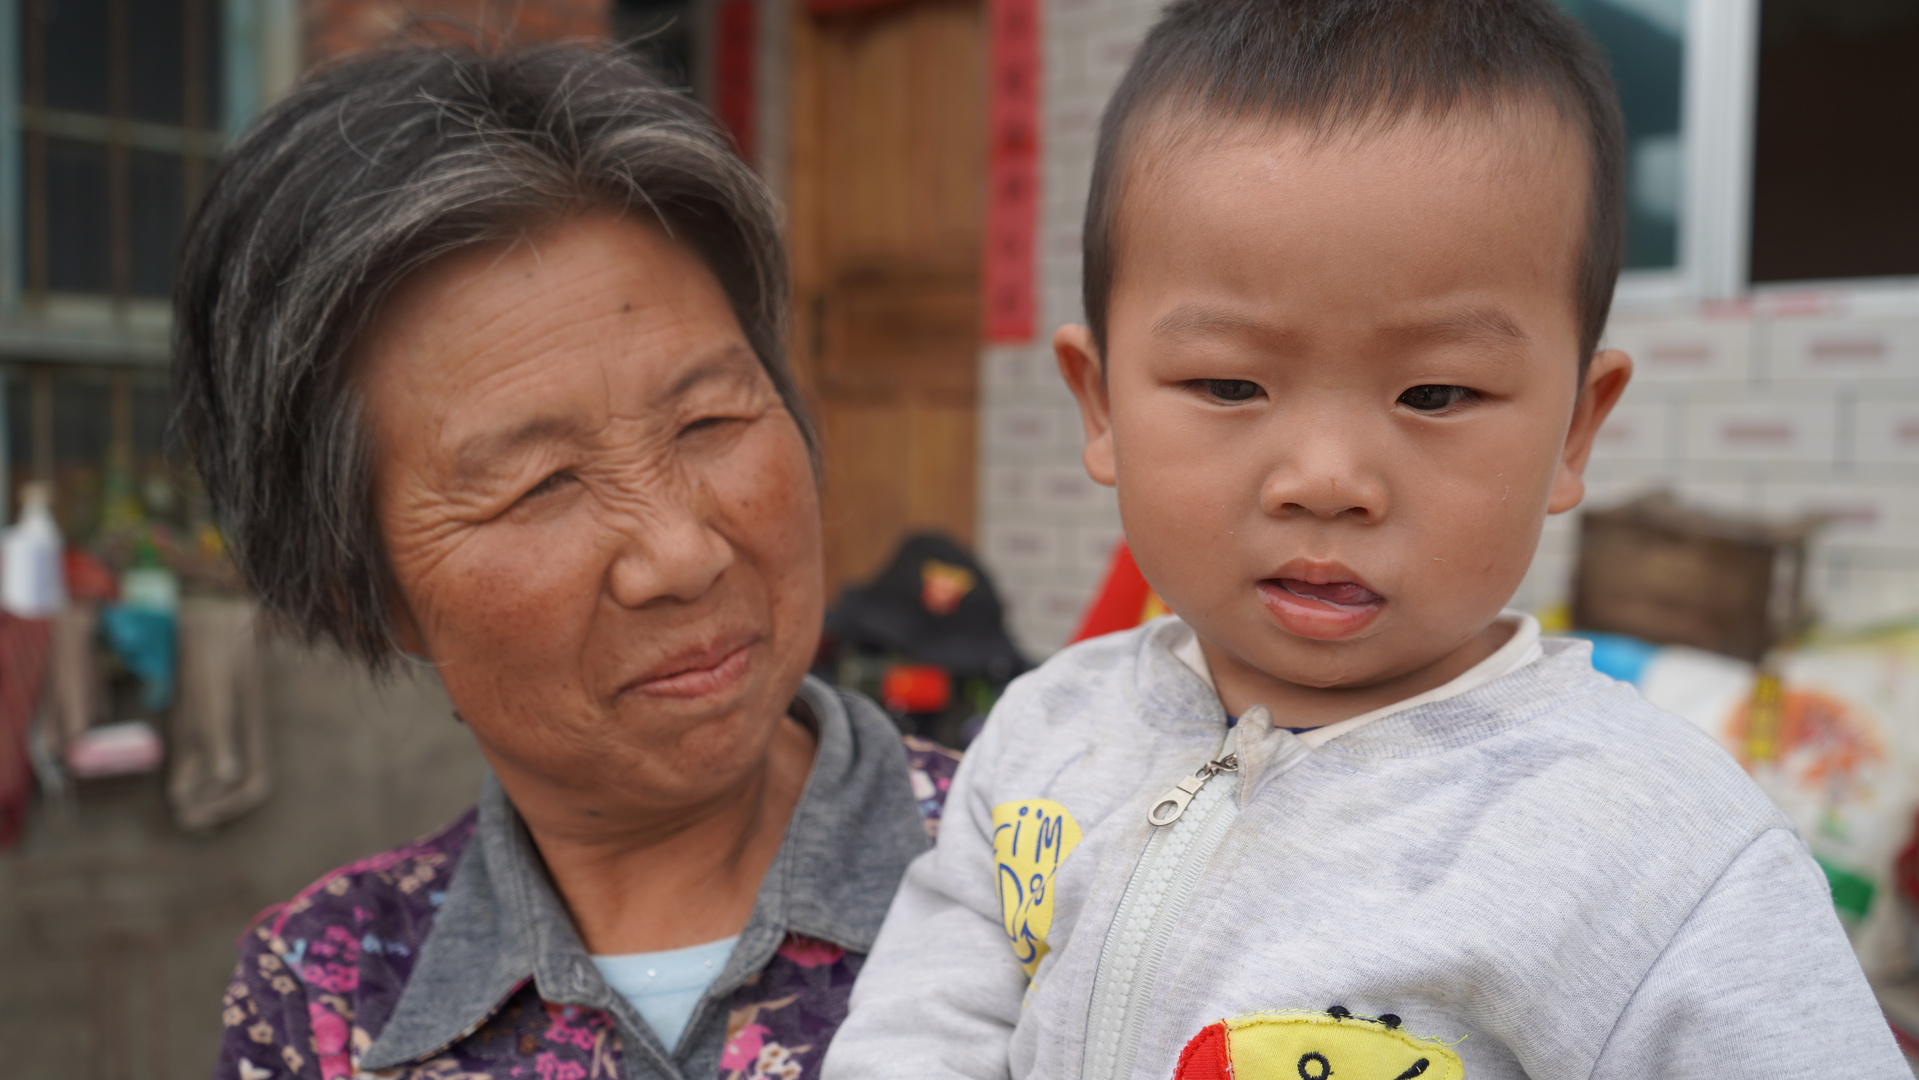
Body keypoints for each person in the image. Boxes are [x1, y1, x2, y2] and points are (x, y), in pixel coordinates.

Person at [822, 1, 1910, 1077]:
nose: (1327, 482)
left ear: (1575, 426)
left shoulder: (1655, 850)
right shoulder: (1045, 737)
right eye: (1228, 383)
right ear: (1098, 405)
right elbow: (929, 1024)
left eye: (1433, 392)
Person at [180, 44, 958, 1080]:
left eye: (711, 417)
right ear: (364, 595)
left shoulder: (1066, 872)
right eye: (541, 483)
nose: (679, 555)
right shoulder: (327, 998)